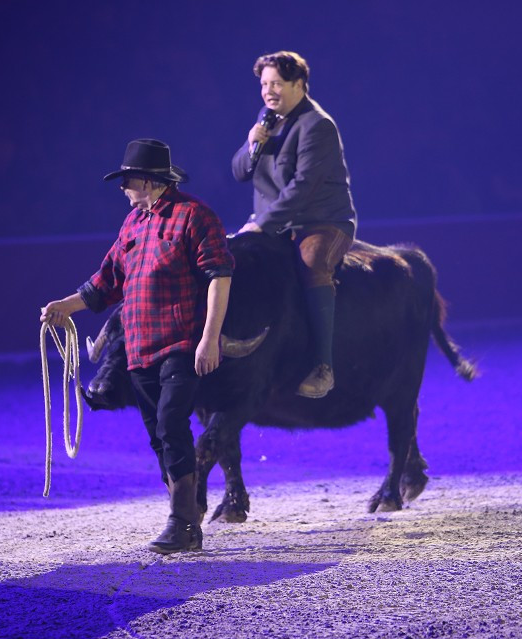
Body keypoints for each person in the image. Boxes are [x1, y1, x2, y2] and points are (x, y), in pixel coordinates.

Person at [42, 138, 233, 554]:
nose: (123, 189)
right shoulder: (132, 225)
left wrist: (210, 337)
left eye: (126, 181)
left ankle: (183, 522)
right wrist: (65, 307)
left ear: (146, 181)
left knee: (170, 424)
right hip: (139, 347)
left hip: (180, 342)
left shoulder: (194, 216)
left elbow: (219, 274)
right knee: (158, 435)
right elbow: (105, 282)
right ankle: (185, 520)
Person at [232, 50, 357, 399]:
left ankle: (323, 365)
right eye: (264, 84)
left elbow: (303, 187)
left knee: (313, 263)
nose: (269, 91)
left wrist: (264, 225)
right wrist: (252, 142)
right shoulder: (267, 119)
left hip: (321, 220)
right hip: (273, 221)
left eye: (277, 84)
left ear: (299, 84)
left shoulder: (318, 125)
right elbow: (240, 172)